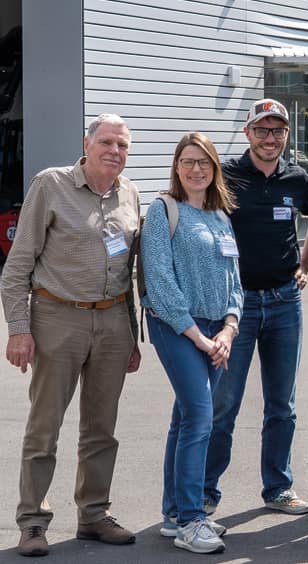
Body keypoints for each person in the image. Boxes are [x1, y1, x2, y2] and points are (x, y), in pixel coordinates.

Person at [2, 113, 142, 557]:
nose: (114, 151)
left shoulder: (131, 194)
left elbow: (129, 271)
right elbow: (17, 266)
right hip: (56, 319)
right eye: (106, 142)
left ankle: (94, 515)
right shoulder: (50, 184)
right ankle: (33, 522)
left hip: (113, 323)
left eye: (122, 145)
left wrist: (132, 335)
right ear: (87, 143)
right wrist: (18, 329)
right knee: (44, 427)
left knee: (102, 429)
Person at [204, 99, 308, 516]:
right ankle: (205, 491)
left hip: (285, 301)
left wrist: (304, 265)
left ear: (286, 135)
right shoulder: (226, 175)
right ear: (248, 133)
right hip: (237, 305)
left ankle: (278, 488)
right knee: (223, 404)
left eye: (278, 131)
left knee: (282, 405)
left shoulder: (299, 179)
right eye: (262, 130)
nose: (270, 138)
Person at [142, 132, 242, 554]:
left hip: (216, 331)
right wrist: (199, 337)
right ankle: (190, 519)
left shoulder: (221, 216)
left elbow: (236, 281)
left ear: (215, 167)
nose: (196, 168)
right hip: (176, 326)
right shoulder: (163, 210)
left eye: (204, 161)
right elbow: (160, 282)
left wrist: (229, 330)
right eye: (188, 161)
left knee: (186, 419)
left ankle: (172, 514)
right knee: (201, 417)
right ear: (176, 166)